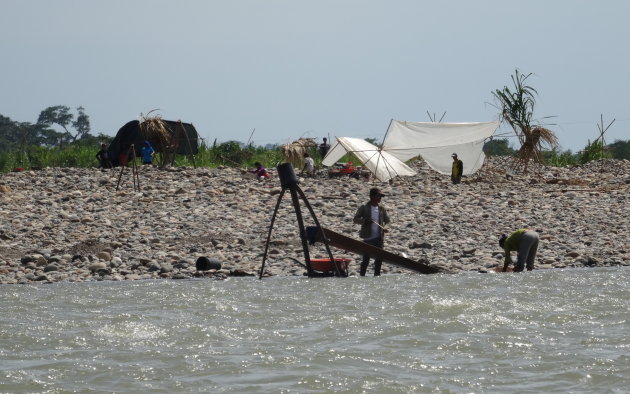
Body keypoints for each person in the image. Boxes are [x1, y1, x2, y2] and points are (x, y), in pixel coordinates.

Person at [353, 187, 391, 276]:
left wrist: (385, 227)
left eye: (381, 196)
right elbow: (355, 219)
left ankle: (376, 277)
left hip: (379, 238)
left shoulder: (382, 209)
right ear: (372, 196)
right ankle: (362, 277)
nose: (380, 198)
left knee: (379, 260)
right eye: (379, 196)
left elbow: (388, 221)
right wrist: (365, 221)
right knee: (366, 259)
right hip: (368, 238)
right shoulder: (364, 207)